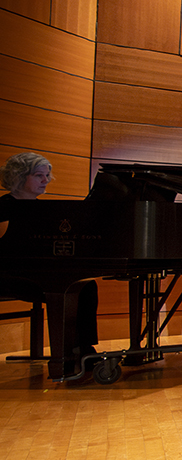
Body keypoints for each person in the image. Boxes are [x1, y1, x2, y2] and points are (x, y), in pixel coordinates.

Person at [0, 153, 100, 376]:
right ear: (19, 177)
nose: (46, 180)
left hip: (36, 271)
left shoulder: (43, 209)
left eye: (47, 175)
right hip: (9, 275)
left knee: (85, 284)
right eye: (39, 175)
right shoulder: (4, 207)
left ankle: (81, 348)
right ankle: (64, 358)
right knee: (65, 289)